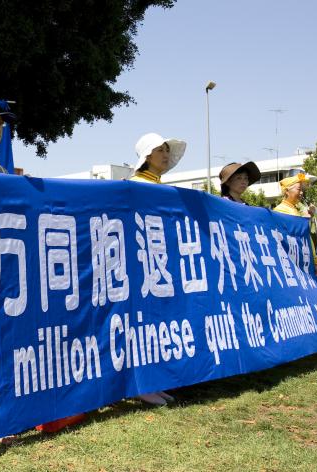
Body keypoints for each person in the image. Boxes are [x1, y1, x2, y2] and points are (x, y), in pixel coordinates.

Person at [129, 133, 186, 406]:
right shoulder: (133, 186)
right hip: (139, 266)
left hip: (159, 265)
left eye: (166, 150)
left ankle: (154, 381)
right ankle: (139, 384)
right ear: (146, 156)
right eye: (159, 150)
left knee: (157, 323)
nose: (165, 154)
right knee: (141, 323)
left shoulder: (162, 186)